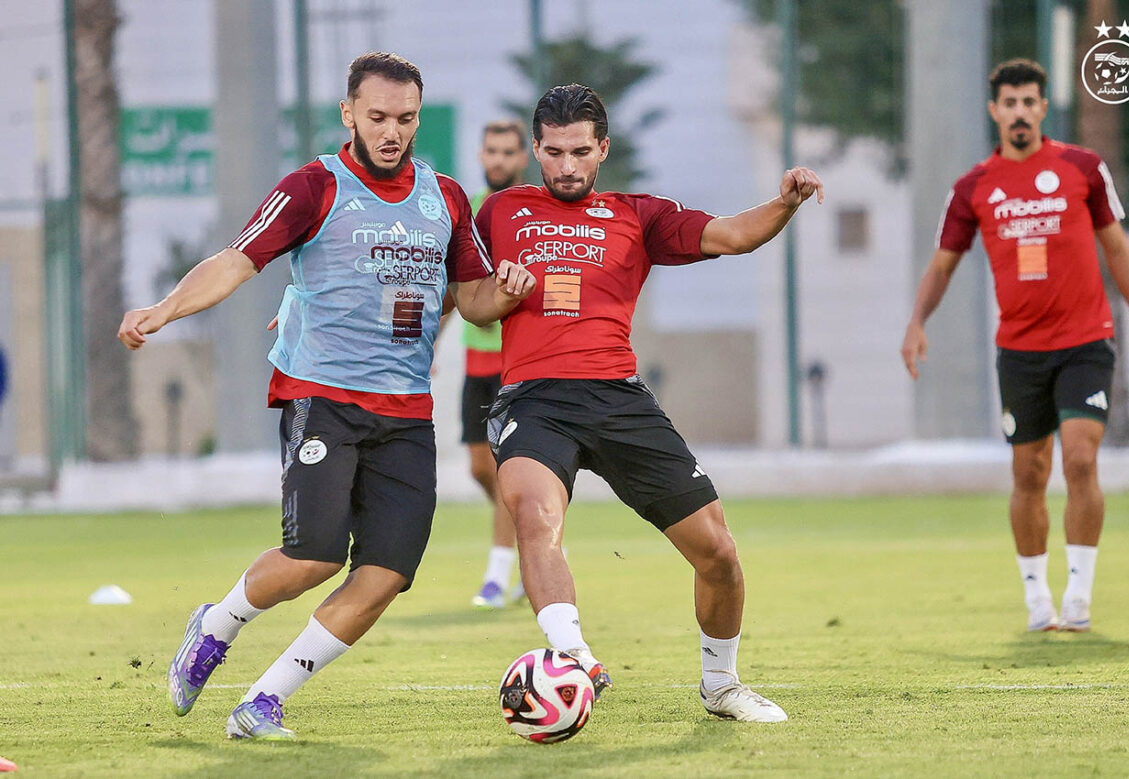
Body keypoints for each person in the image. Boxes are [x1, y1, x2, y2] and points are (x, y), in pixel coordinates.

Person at [117, 52, 534, 740]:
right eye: (377, 117)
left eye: (405, 118)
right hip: (325, 396)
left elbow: (476, 302)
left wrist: (508, 290)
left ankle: (263, 700)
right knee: (312, 558)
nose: (392, 130)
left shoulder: (448, 199)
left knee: (386, 574)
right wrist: (164, 310)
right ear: (349, 115)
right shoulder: (314, 186)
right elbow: (236, 259)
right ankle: (215, 624)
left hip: (407, 412)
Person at [475, 83, 823, 723]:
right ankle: (573, 656)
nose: (568, 166)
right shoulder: (500, 212)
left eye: (580, 151)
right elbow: (443, 282)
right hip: (534, 398)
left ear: (603, 149)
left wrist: (786, 201)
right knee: (533, 513)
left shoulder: (638, 214)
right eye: (554, 153)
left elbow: (732, 236)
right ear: (535, 150)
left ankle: (721, 685)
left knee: (717, 551)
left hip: (617, 398)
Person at [901, 59, 1129, 633]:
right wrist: (917, 321)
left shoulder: (1082, 169)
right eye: (1009, 103)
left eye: (1029, 102)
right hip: (1019, 351)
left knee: (1082, 459)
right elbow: (943, 265)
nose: (1019, 112)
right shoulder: (973, 188)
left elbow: (1117, 249)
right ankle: (1038, 596)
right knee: (1029, 473)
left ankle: (1080, 598)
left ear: (1043, 107)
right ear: (995, 111)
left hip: (1086, 342)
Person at [464, 120, 530, 609]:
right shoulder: (465, 209)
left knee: (508, 470)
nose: (499, 160)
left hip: (516, 365)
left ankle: (498, 574)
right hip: (474, 361)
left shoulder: (529, 213)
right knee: (479, 468)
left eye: (508, 151)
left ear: (522, 157)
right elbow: (452, 286)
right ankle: (536, 538)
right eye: (492, 151)